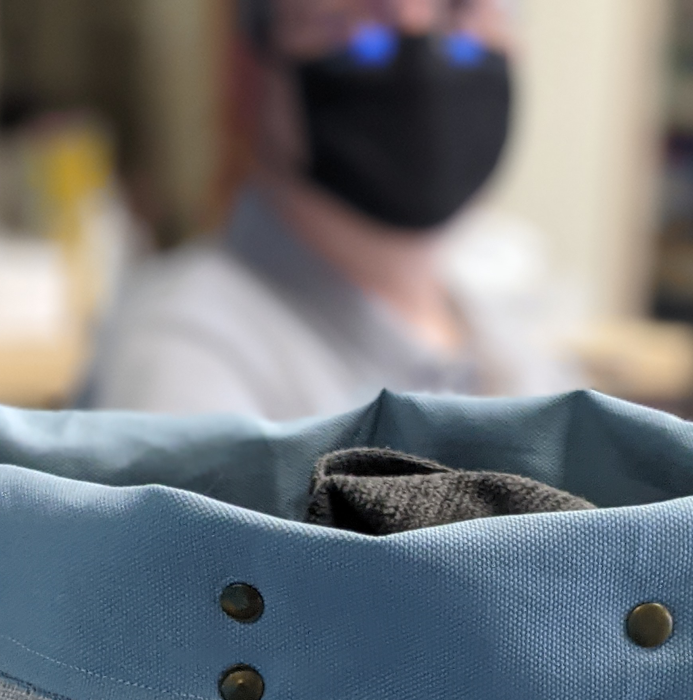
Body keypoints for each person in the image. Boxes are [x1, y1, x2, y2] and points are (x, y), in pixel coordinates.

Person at [88, 0, 579, 419]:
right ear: (249, 71)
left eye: (459, 6)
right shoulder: (183, 360)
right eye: (354, 11)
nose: (415, 34)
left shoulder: (516, 359)